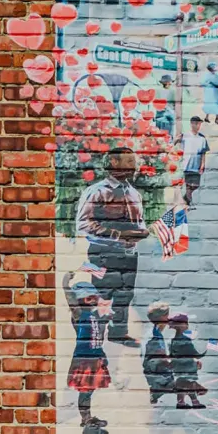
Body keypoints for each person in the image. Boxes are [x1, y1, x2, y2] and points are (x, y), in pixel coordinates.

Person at [77, 144, 146, 340]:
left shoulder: (134, 193)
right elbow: (83, 223)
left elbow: (138, 222)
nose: (134, 167)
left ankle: (119, 332)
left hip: (129, 254)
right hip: (102, 253)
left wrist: (141, 232)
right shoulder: (97, 192)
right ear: (114, 162)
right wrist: (115, 234)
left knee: (125, 294)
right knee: (102, 293)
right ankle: (95, 335)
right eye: (129, 162)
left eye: (135, 162)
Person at [64, 279, 112, 434]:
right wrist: (66, 282)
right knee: (85, 392)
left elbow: (97, 340)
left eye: (95, 298)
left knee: (89, 391)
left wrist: (102, 356)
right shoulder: (80, 315)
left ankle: (88, 418)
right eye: (90, 298)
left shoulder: (92, 316)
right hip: (84, 362)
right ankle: (86, 422)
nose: (95, 301)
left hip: (94, 360)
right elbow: (71, 301)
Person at [168, 310, 206, 409]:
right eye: (185, 323)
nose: (187, 325)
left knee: (183, 384)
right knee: (187, 384)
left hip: (180, 367)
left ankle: (184, 402)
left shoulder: (174, 340)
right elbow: (194, 352)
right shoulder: (184, 340)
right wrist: (205, 350)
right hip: (186, 367)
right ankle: (194, 400)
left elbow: (172, 355)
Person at [141, 303, 173, 404]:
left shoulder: (155, 332)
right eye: (167, 314)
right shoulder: (154, 337)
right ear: (162, 317)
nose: (169, 316)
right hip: (158, 376)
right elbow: (156, 361)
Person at [181, 116, 209, 206]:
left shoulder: (202, 138)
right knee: (189, 185)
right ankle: (188, 202)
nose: (197, 126)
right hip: (186, 164)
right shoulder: (185, 136)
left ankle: (186, 198)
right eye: (196, 123)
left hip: (196, 165)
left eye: (199, 124)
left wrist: (202, 165)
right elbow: (176, 143)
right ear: (191, 124)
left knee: (195, 185)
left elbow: (203, 153)